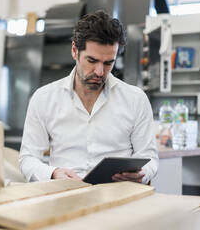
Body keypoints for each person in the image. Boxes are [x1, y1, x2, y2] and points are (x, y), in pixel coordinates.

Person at [19, 10, 158, 184]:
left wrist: (142, 173)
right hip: (66, 195)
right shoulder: (43, 98)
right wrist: (53, 173)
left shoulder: (136, 99)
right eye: (92, 61)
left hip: (119, 195)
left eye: (108, 63)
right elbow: (27, 159)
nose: (100, 72)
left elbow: (150, 157)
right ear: (74, 51)